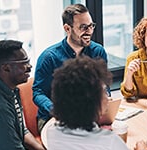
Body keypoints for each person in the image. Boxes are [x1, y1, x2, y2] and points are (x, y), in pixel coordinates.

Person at [45, 56, 147, 150]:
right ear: (90, 100)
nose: (108, 97)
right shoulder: (106, 140)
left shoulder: (51, 131)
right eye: (103, 91)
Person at [33, 3, 108, 133]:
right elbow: (38, 92)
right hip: (54, 118)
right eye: (83, 27)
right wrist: (56, 111)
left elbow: (104, 85)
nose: (89, 31)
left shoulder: (98, 51)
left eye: (91, 26)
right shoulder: (49, 57)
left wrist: (106, 98)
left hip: (89, 115)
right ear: (67, 29)